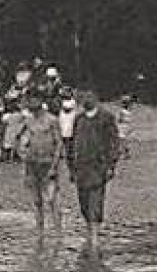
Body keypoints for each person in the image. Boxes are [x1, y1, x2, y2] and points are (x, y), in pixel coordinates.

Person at [67, 89, 121, 248]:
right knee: (83, 202)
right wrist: (71, 167)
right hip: (80, 167)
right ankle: (89, 232)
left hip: (98, 166)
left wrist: (111, 165)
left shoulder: (106, 118)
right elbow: (72, 144)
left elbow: (113, 143)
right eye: (82, 97)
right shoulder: (79, 119)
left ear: (95, 98)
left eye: (88, 96)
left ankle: (95, 237)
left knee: (95, 201)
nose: (85, 100)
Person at [18, 95, 64, 230]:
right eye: (29, 101)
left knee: (52, 199)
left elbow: (59, 143)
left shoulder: (51, 120)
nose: (30, 103)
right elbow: (19, 138)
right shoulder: (28, 121)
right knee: (36, 200)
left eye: (33, 99)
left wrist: (55, 165)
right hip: (32, 162)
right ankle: (40, 229)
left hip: (48, 162)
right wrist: (22, 152)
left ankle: (58, 230)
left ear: (40, 101)